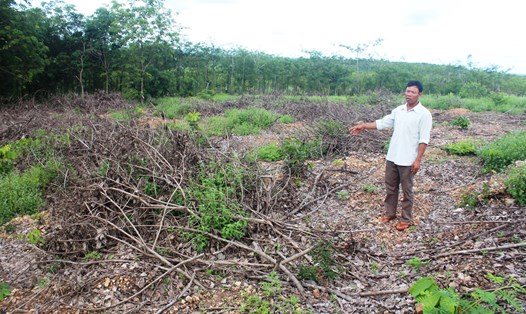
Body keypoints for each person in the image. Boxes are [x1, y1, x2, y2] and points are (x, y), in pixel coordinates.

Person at [349, 80, 432, 231]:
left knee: (407, 190)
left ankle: (406, 218)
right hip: (393, 156)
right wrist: (363, 126)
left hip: (408, 159)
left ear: (419, 94)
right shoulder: (399, 110)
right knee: (391, 187)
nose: (409, 95)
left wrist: (418, 160)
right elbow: (383, 123)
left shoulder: (424, 114)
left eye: (413, 92)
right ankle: (390, 213)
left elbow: (424, 139)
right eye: (407, 91)